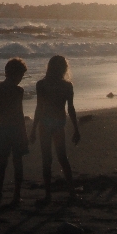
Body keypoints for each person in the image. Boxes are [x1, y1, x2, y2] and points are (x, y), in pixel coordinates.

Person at [29, 55, 80, 204]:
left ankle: (48, 194)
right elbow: (70, 108)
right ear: (64, 69)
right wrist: (76, 129)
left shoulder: (41, 84)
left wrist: (33, 129)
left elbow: (39, 108)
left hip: (44, 123)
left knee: (47, 159)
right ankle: (71, 192)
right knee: (62, 157)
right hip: (58, 122)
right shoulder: (67, 86)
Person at [0, 57, 29, 206]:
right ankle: (16, 195)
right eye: (21, 75)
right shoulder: (18, 90)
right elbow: (19, 113)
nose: (21, 79)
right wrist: (24, 133)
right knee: (17, 162)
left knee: (1, 162)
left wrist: (0, 108)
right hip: (16, 129)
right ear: (16, 74)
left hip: (3, 129)